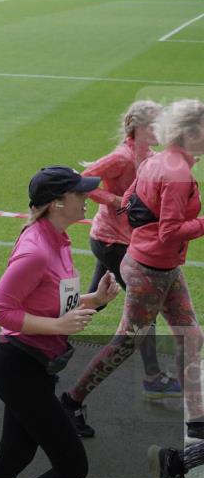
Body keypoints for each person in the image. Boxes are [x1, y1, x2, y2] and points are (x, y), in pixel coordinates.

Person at [62, 99, 204, 442]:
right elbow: (170, 231)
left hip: (159, 264)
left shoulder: (160, 162)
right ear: (190, 133)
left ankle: (197, 421)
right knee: (127, 342)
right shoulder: (175, 174)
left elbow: (130, 198)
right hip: (151, 269)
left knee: (191, 336)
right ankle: (70, 401)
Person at [0, 165, 120, 478]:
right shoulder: (37, 250)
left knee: (14, 454)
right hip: (20, 369)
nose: (88, 196)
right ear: (57, 202)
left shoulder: (58, 239)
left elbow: (53, 299)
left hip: (35, 367)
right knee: (72, 466)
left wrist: (94, 299)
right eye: (80, 192)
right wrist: (57, 326)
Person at [81, 100, 180, 399]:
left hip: (124, 241)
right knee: (144, 311)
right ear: (138, 128)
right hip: (113, 243)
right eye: (154, 125)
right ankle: (152, 376)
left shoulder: (148, 156)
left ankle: (48, 339)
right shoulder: (121, 157)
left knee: (96, 300)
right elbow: (82, 181)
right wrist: (114, 201)